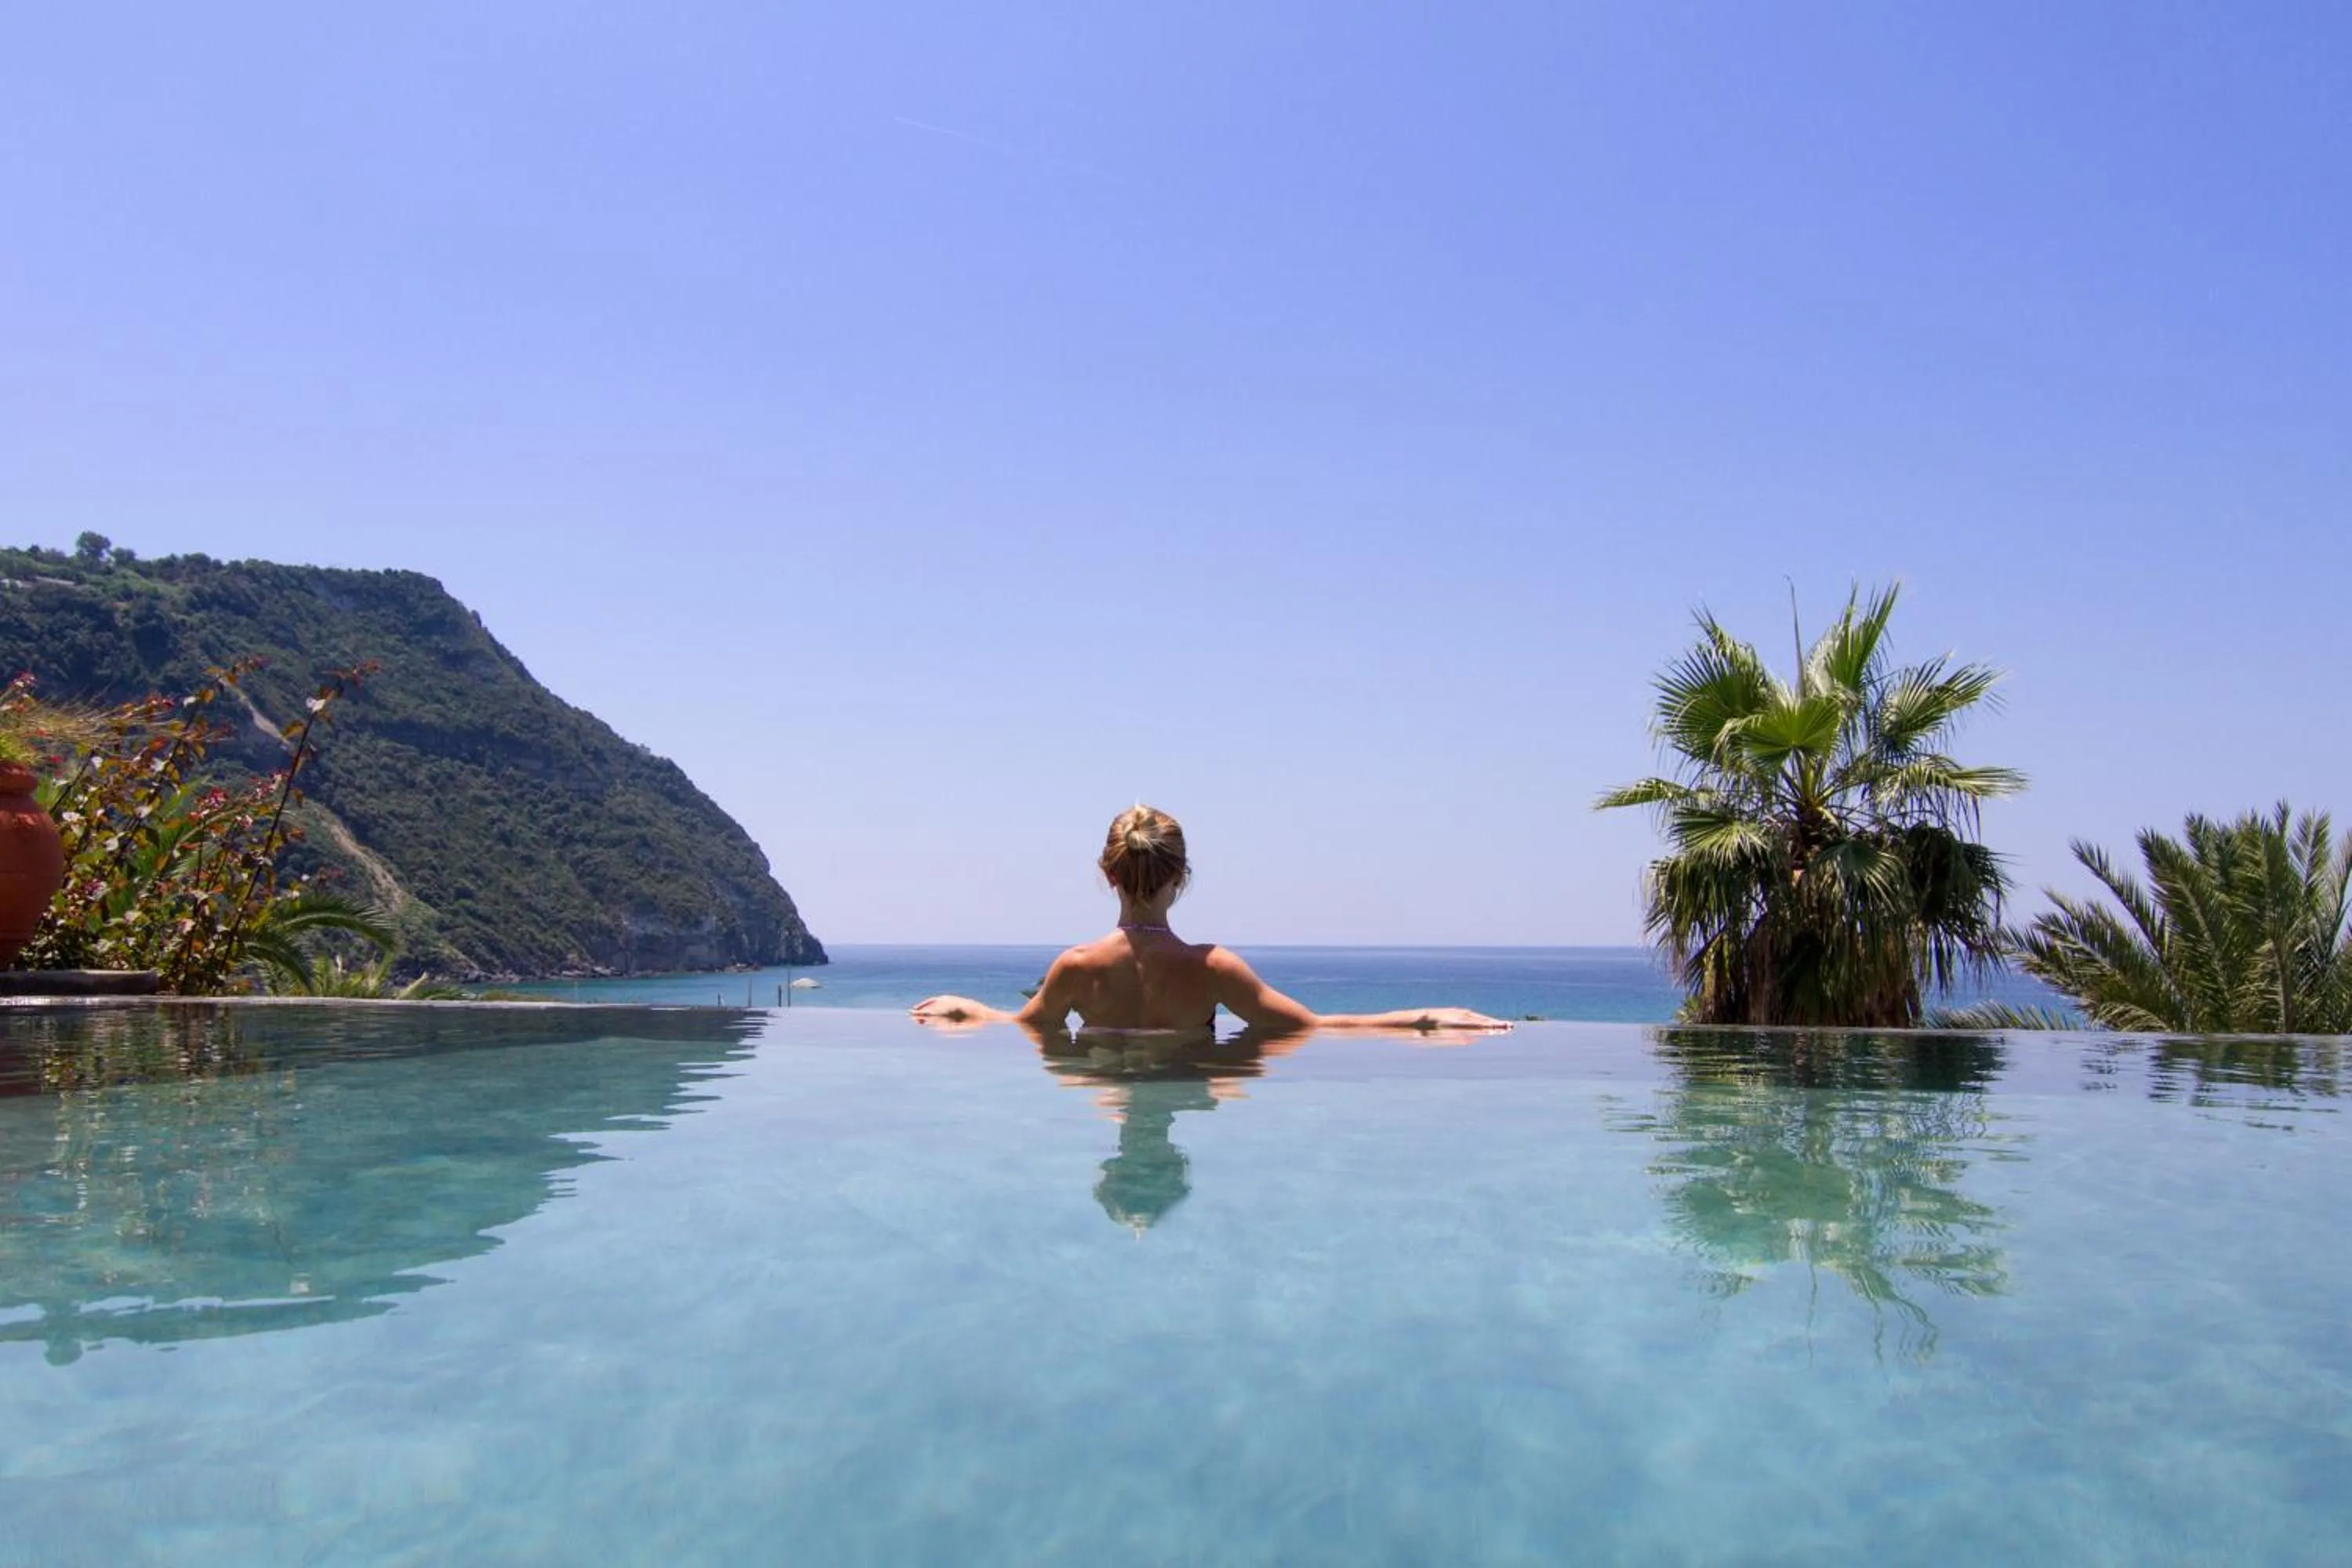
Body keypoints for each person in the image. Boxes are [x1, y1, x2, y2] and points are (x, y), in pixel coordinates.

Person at [910, 805, 1512, 1035]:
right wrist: (1426, 1018)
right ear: (1181, 877)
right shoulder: (1212, 969)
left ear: (1108, 874)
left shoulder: (1076, 968)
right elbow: (1317, 1027)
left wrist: (966, 1010)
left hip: (1102, 1088)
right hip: (1188, 1083)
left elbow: (1022, 1025)